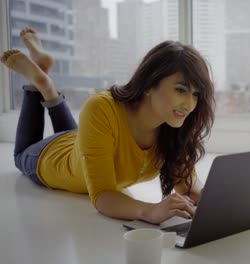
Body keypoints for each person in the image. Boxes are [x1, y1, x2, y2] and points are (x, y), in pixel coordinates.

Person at [0, 28, 215, 224]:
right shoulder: (102, 108)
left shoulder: (171, 127)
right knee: (20, 155)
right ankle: (39, 84)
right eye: (180, 90)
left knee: (77, 138)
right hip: (51, 158)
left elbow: (187, 185)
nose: (190, 104)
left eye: (196, 94)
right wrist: (150, 211)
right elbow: (103, 195)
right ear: (150, 83)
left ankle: (46, 83)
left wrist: (216, 201)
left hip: (81, 144)